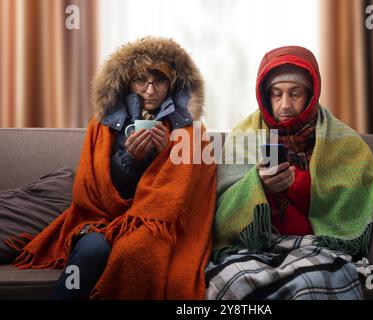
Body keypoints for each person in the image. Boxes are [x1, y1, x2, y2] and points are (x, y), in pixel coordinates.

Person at [9, 36, 217, 299]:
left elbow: (188, 198)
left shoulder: (190, 132)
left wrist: (167, 153)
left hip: (157, 224)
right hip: (102, 219)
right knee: (94, 248)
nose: (150, 91)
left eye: (160, 81)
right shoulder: (102, 126)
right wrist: (128, 157)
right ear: (127, 82)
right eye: (142, 80)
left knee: (135, 250)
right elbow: (92, 190)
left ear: (173, 84)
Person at [211, 46, 373, 289]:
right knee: (235, 281)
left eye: (295, 94)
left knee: (313, 283)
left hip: (318, 244)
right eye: (277, 94)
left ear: (311, 95)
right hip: (255, 247)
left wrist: (301, 184)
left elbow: (368, 190)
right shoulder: (243, 136)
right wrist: (258, 185)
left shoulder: (343, 141)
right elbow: (223, 210)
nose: (285, 104)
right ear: (265, 96)